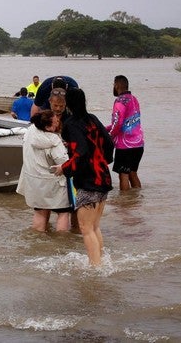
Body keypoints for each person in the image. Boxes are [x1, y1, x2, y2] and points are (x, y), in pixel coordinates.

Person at [56, 88, 114, 266]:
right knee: (94, 226)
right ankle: (101, 262)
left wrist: (63, 169)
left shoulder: (72, 124)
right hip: (103, 177)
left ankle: (95, 268)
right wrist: (103, 161)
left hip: (89, 180)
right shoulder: (93, 119)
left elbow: (80, 153)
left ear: (68, 103)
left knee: (85, 228)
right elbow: (110, 142)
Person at [17, 109, 71, 232]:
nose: (58, 122)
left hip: (33, 180)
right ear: (47, 127)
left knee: (40, 212)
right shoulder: (54, 141)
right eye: (55, 122)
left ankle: (38, 243)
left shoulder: (30, 132)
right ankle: (62, 245)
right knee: (62, 213)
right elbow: (63, 162)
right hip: (54, 183)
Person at [106, 75, 144, 190]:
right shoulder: (134, 99)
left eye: (113, 85)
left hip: (125, 146)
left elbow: (117, 124)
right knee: (133, 173)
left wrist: (109, 136)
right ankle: (136, 200)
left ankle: (125, 204)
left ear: (116, 85)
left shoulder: (119, 102)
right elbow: (126, 122)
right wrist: (104, 128)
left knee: (123, 174)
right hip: (138, 144)